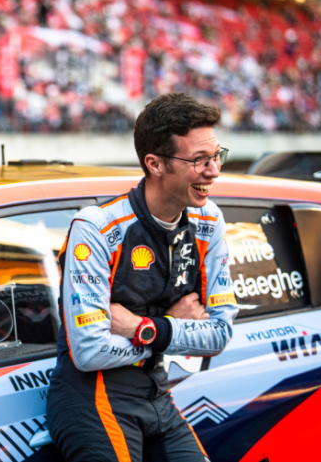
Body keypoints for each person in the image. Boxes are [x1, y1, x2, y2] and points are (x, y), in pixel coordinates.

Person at [46, 93, 238, 462]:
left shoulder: (208, 220)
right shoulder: (97, 229)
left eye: (217, 156)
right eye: (199, 160)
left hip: (156, 391)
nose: (214, 171)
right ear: (155, 164)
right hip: (92, 397)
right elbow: (88, 352)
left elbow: (220, 333)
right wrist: (167, 330)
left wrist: (143, 327)